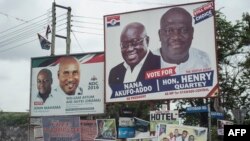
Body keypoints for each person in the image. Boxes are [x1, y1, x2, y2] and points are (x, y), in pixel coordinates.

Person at [154, 7, 211, 73]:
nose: (176, 36)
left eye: (184, 30)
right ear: (160, 35)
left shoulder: (204, 59)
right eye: (169, 31)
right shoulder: (146, 64)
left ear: (192, 33)